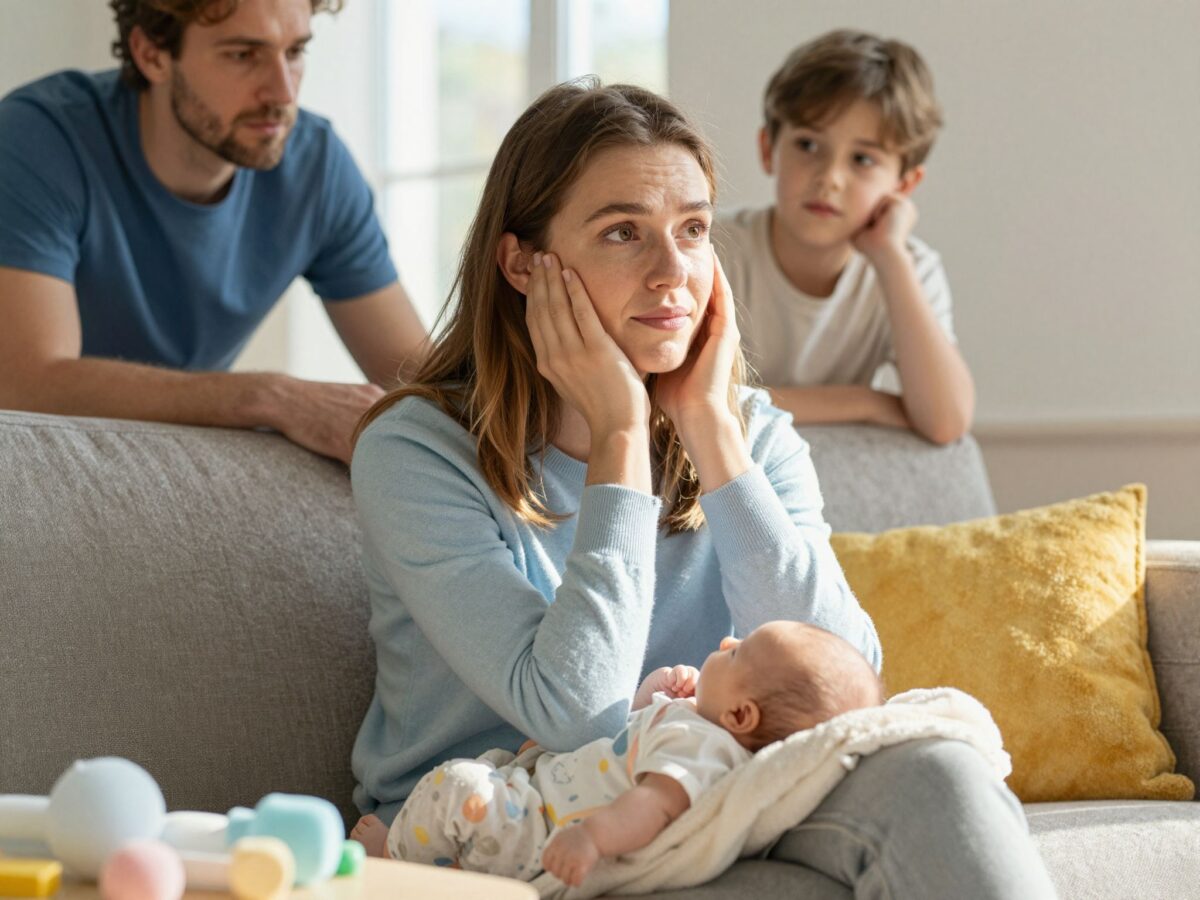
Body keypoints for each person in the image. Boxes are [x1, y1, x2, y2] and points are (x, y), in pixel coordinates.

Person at [349, 78, 1055, 898]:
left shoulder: (748, 432)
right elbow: (576, 711)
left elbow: (845, 684)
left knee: (933, 769)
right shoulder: (417, 452)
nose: (673, 272)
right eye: (623, 232)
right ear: (521, 264)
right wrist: (620, 435)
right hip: (499, 829)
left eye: (693, 230)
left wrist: (714, 434)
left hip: (704, 792)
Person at [0, 0, 429, 463]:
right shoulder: (38, 139)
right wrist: (272, 397)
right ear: (152, 55)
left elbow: (418, 380)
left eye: (295, 52)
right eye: (244, 55)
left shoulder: (316, 168)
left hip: (170, 457)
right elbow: (26, 384)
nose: (283, 94)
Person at [350, 621, 886, 888]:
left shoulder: (705, 751)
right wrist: (658, 690)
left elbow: (653, 803)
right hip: (536, 796)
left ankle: (392, 866)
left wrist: (592, 838)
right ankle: (450, 870)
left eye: (740, 652)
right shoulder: (695, 724)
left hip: (547, 837)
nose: (726, 641)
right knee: (485, 771)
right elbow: (622, 736)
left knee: (460, 787)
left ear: (741, 718)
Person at [712, 29, 974, 445]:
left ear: (904, 184)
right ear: (768, 149)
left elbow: (946, 421)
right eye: (808, 145)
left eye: (863, 159)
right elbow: (691, 400)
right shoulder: (714, 249)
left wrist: (890, 258)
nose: (829, 178)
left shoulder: (911, 268)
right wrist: (865, 402)